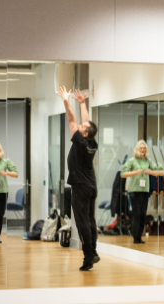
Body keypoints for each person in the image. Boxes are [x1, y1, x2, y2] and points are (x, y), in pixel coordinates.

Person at [58, 86, 100, 271]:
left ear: (83, 134)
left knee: (83, 222)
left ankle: (89, 255)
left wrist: (66, 101)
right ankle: (94, 251)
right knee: (90, 219)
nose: (82, 126)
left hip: (81, 187)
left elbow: (72, 119)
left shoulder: (81, 142)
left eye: (82, 128)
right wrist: (82, 103)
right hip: (90, 185)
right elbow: (86, 123)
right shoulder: (91, 141)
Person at [122, 140, 164, 244]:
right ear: (137, 149)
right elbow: (123, 174)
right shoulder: (132, 161)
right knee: (136, 214)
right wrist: (135, 172)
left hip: (145, 191)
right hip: (134, 191)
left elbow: (161, 172)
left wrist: (151, 171)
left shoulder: (148, 161)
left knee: (142, 214)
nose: (142, 150)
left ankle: (139, 237)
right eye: (141, 148)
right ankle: (135, 238)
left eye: (144, 148)